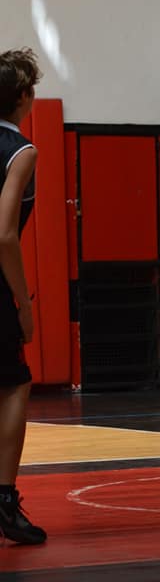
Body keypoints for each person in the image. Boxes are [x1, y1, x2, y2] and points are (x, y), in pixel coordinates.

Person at [0, 48, 47, 545]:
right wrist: (24, 302)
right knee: (15, 385)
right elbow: (5, 235)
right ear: (23, 97)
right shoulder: (20, 150)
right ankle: (4, 499)